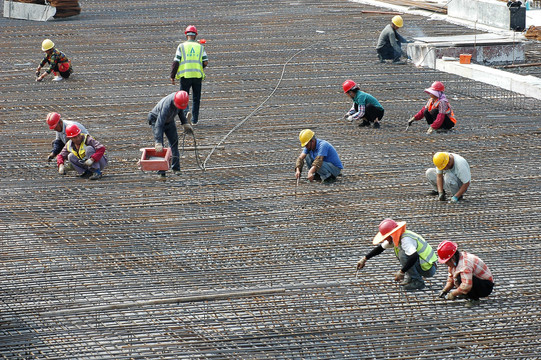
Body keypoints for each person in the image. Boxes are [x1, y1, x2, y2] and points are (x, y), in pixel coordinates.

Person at [356, 218, 438, 290]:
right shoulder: (397, 237)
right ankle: (411, 278)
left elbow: (414, 257)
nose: (385, 239)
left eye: (386, 237)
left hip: (428, 268)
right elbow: (380, 249)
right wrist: (364, 259)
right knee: (402, 253)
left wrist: (402, 272)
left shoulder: (406, 240)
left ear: (391, 234)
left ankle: (418, 281)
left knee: (402, 254)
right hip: (425, 265)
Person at [148, 91, 193, 177]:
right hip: (156, 119)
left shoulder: (181, 100)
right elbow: (159, 124)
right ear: (175, 101)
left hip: (169, 120)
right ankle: (161, 172)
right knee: (161, 148)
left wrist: (185, 123)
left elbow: (180, 111)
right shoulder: (166, 106)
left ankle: (176, 168)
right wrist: (158, 142)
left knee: (174, 142)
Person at [437, 240, 494, 308]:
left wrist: (453, 294)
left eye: (446, 262)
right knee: (458, 278)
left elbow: (466, 285)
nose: (446, 264)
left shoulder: (464, 265)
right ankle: (467, 294)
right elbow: (451, 278)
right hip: (477, 281)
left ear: (452, 258)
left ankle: (474, 299)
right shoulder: (454, 262)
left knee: (460, 279)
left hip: (485, 287)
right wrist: (445, 290)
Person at [170, 25, 208, 125]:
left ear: (186, 35)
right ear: (195, 35)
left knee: (183, 97)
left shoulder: (181, 46)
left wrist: (172, 76)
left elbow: (176, 62)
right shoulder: (200, 47)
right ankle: (194, 120)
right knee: (196, 98)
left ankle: (186, 114)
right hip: (197, 76)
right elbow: (205, 62)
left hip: (185, 76)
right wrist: (198, 67)